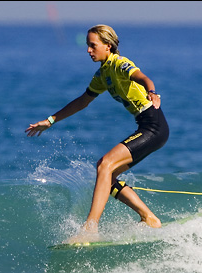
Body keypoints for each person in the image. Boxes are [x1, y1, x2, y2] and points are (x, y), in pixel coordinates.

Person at [25, 24, 169, 243]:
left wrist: (152, 92)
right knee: (106, 174)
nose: (88, 51)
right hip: (146, 126)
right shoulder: (103, 74)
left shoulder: (120, 64)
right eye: (87, 46)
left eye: (93, 46)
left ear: (108, 46)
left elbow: (143, 77)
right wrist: (50, 120)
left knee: (105, 164)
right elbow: (83, 101)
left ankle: (91, 227)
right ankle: (148, 217)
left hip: (154, 126)